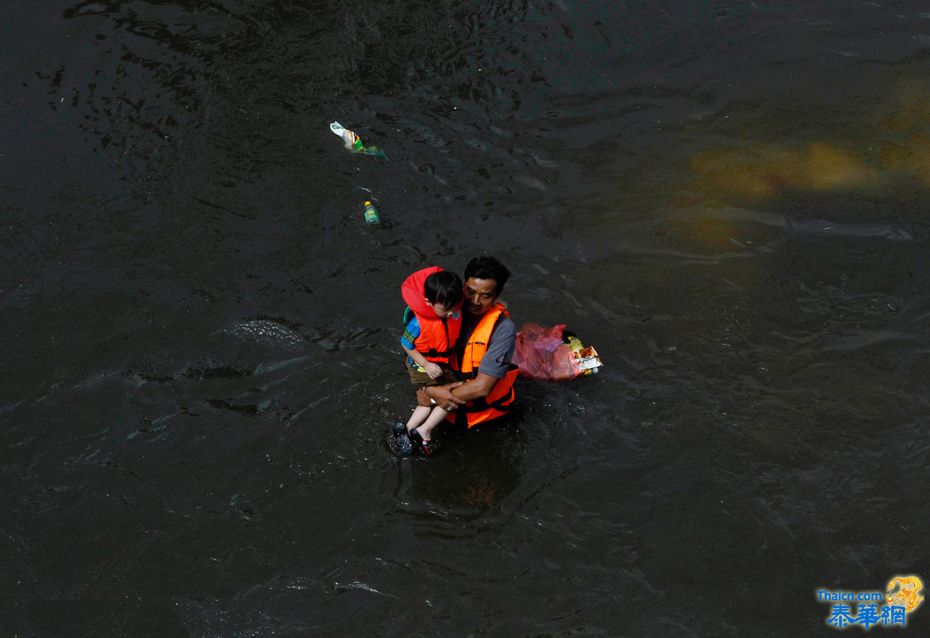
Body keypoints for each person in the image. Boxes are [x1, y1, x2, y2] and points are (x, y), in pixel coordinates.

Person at [423, 256, 519, 429]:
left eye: (486, 296)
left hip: (485, 419)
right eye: (470, 292)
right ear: (462, 286)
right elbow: (415, 353)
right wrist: (427, 389)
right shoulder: (445, 310)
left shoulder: (504, 329)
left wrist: (432, 396)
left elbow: (482, 387)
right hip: (442, 409)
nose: (475, 301)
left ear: (496, 297)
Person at [393, 266, 463, 456]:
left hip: (438, 364)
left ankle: (406, 430)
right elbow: (406, 344)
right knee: (452, 398)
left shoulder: (452, 308)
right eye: (446, 309)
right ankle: (425, 431)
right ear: (428, 302)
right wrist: (426, 364)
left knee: (426, 403)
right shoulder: (418, 323)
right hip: (423, 367)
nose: (451, 313)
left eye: (455, 307)